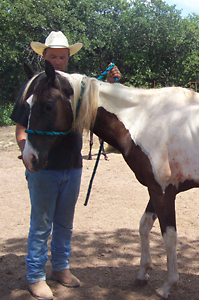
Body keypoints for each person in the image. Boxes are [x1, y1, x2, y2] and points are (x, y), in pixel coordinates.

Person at [10, 31, 121, 300]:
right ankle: (36, 276)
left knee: (65, 223)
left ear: (68, 58)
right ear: (44, 57)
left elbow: (103, 102)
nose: (58, 60)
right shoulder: (33, 87)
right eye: (52, 56)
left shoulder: (76, 87)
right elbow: (21, 128)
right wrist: (26, 150)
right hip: (43, 168)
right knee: (41, 223)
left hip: (72, 164)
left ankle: (60, 267)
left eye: (62, 56)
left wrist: (110, 82)